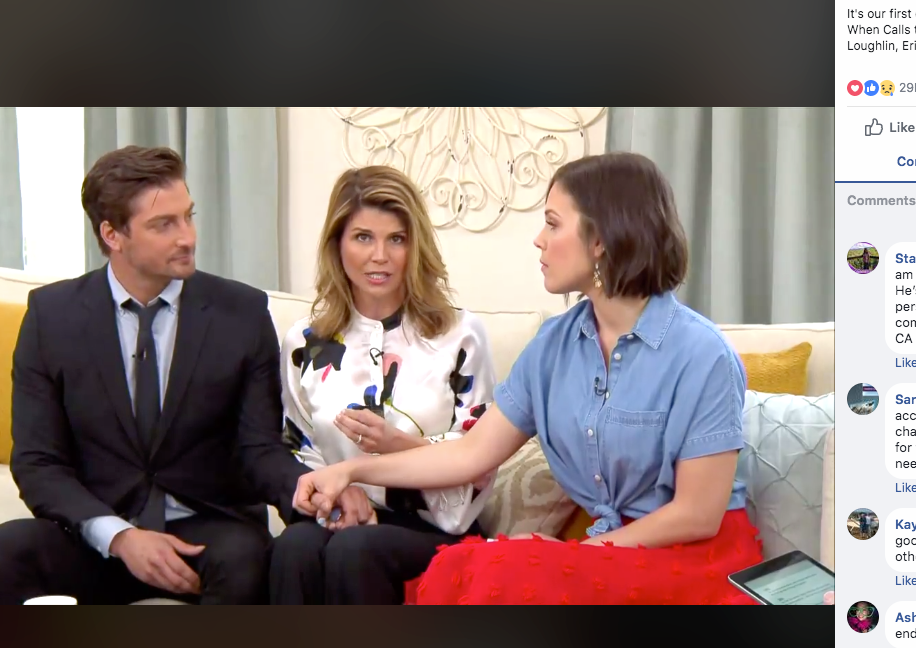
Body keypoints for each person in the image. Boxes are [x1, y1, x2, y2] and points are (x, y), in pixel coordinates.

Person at [293, 152, 765, 605]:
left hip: (693, 559)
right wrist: (350, 471)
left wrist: (577, 554)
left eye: (553, 224)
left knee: (500, 569)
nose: (539, 240)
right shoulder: (553, 345)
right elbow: (469, 455)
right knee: (469, 566)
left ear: (601, 240)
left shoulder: (703, 354)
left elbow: (697, 515)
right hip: (610, 553)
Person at [0, 145, 333, 604]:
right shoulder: (51, 316)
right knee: (10, 548)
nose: (187, 237)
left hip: (206, 534)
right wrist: (119, 536)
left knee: (247, 559)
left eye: (188, 217)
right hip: (98, 533)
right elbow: (38, 462)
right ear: (113, 234)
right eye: (164, 225)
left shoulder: (242, 313)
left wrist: (307, 493)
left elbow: (258, 449)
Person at [268, 166, 496, 605]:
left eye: (397, 239)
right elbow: (299, 446)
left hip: (435, 527)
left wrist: (399, 446)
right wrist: (340, 495)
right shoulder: (305, 342)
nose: (380, 256)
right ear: (337, 244)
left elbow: (480, 456)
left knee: (355, 551)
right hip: (341, 515)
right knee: (292, 548)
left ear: (416, 246)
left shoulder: (461, 335)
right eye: (363, 237)